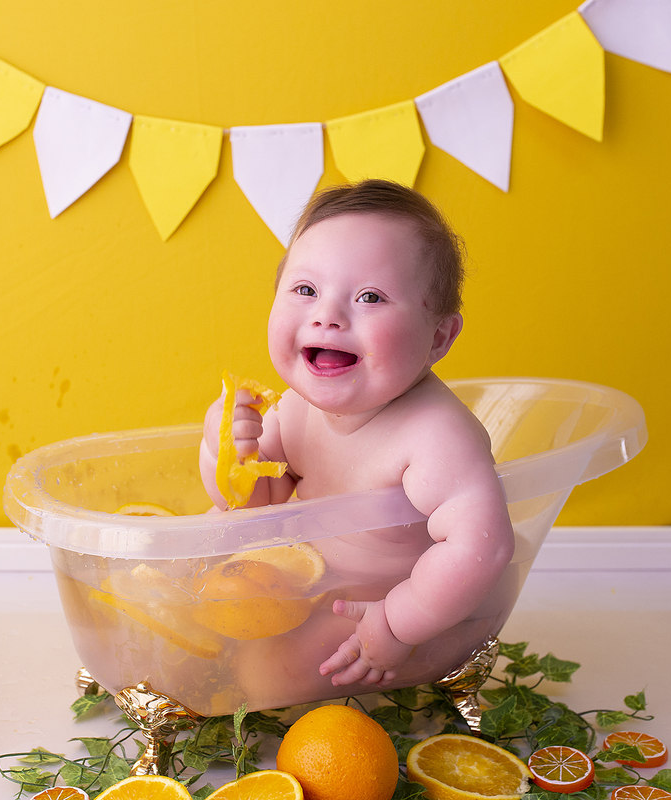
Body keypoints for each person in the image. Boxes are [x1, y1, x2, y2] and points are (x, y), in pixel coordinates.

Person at [199, 179, 514, 688]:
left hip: (407, 599)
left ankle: (446, 653)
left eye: (370, 297)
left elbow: (482, 548)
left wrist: (397, 621)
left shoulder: (435, 435)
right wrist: (228, 449)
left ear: (438, 337)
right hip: (309, 574)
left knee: (264, 676)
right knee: (206, 535)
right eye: (306, 290)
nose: (327, 315)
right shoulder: (297, 408)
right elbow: (256, 503)